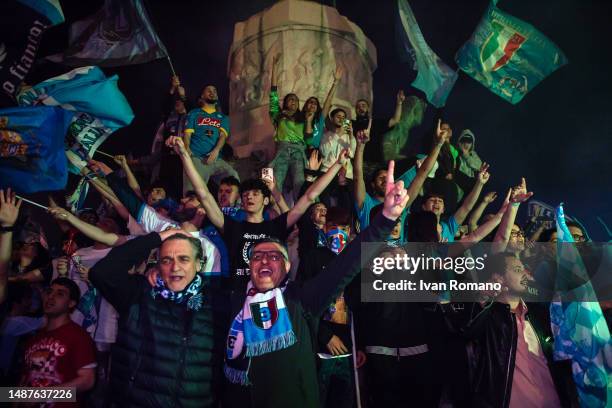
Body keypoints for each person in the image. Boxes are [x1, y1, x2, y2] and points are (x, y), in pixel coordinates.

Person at [223, 160, 410, 408]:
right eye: (257, 256)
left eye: (274, 256)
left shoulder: (300, 298)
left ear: (288, 267)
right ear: (249, 267)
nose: (265, 259)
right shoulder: (234, 302)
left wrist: (386, 219)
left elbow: (346, 264)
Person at [173, 135, 351, 290]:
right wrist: (183, 155)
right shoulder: (232, 226)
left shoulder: (277, 225)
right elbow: (203, 193)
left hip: (275, 300)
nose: (249, 197)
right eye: (245, 194)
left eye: (255, 194)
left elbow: (310, 196)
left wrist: (336, 165)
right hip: (240, 299)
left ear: (266, 200)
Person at [89, 228, 230, 407]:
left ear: (199, 264)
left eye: (183, 259)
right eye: (166, 260)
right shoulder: (139, 293)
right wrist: (157, 237)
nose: (175, 267)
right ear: (157, 265)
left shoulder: (219, 304)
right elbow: (101, 273)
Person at [446, 252, 577, 407]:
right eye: (516, 269)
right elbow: (461, 327)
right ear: (498, 278)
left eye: (524, 269)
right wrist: (482, 297)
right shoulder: (488, 318)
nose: (524, 273)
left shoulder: (539, 316)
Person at [354, 118, 446, 238]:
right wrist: (360, 146)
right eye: (381, 178)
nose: (385, 180)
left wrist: (438, 145)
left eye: (388, 177)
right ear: (372, 184)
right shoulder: (366, 203)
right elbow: (357, 175)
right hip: (372, 255)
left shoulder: (400, 203)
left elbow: (422, 174)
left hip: (399, 255)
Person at [20, 278, 97, 403]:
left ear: (71, 303)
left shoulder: (78, 336)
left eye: (60, 294)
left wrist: (44, 395)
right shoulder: (35, 338)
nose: (51, 297)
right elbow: (25, 379)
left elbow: (87, 381)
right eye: (49, 292)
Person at [183, 84, 239, 191]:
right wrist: (187, 149)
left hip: (216, 160)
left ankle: (234, 207)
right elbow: (187, 134)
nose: (212, 92)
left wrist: (216, 150)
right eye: (208, 90)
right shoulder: (194, 113)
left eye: (214, 91)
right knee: (193, 193)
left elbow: (222, 136)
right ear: (202, 96)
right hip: (197, 158)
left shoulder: (223, 117)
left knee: (233, 177)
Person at [351, 90, 405, 163]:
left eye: (363, 105)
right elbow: (338, 122)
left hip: (375, 162)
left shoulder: (375, 122)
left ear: (368, 108)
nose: (360, 108)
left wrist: (399, 103)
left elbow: (395, 120)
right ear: (355, 110)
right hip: (357, 161)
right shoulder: (351, 123)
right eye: (357, 107)